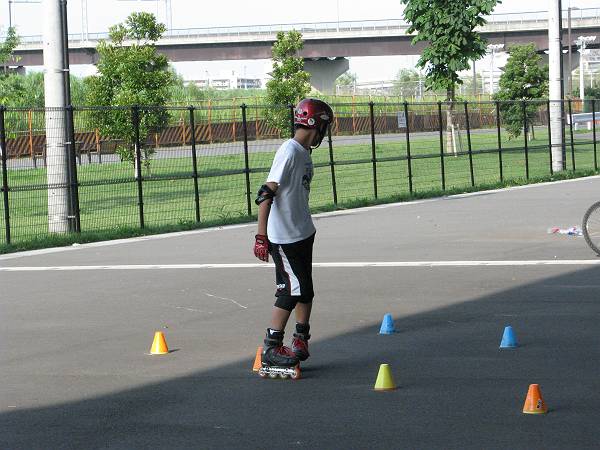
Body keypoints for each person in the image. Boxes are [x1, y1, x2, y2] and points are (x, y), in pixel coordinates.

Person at [253, 98, 334, 373]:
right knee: (291, 290)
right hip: (284, 237)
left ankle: (300, 338)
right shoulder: (289, 150)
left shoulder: (303, 152)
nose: (324, 133)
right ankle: (271, 348)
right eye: (324, 127)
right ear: (317, 125)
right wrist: (261, 236)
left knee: (306, 289)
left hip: (302, 232)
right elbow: (266, 193)